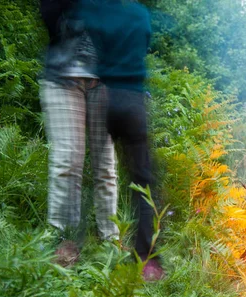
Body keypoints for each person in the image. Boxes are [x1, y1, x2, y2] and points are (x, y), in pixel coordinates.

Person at [78, 0, 164, 281]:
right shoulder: (140, 14)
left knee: (93, 168)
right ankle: (146, 258)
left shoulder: (97, 11)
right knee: (143, 181)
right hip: (133, 101)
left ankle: (77, 242)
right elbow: (147, 39)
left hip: (105, 99)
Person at [39, 0, 119, 266]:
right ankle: (61, 239)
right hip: (62, 76)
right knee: (68, 160)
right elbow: (49, 12)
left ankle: (111, 241)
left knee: (106, 166)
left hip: (106, 81)